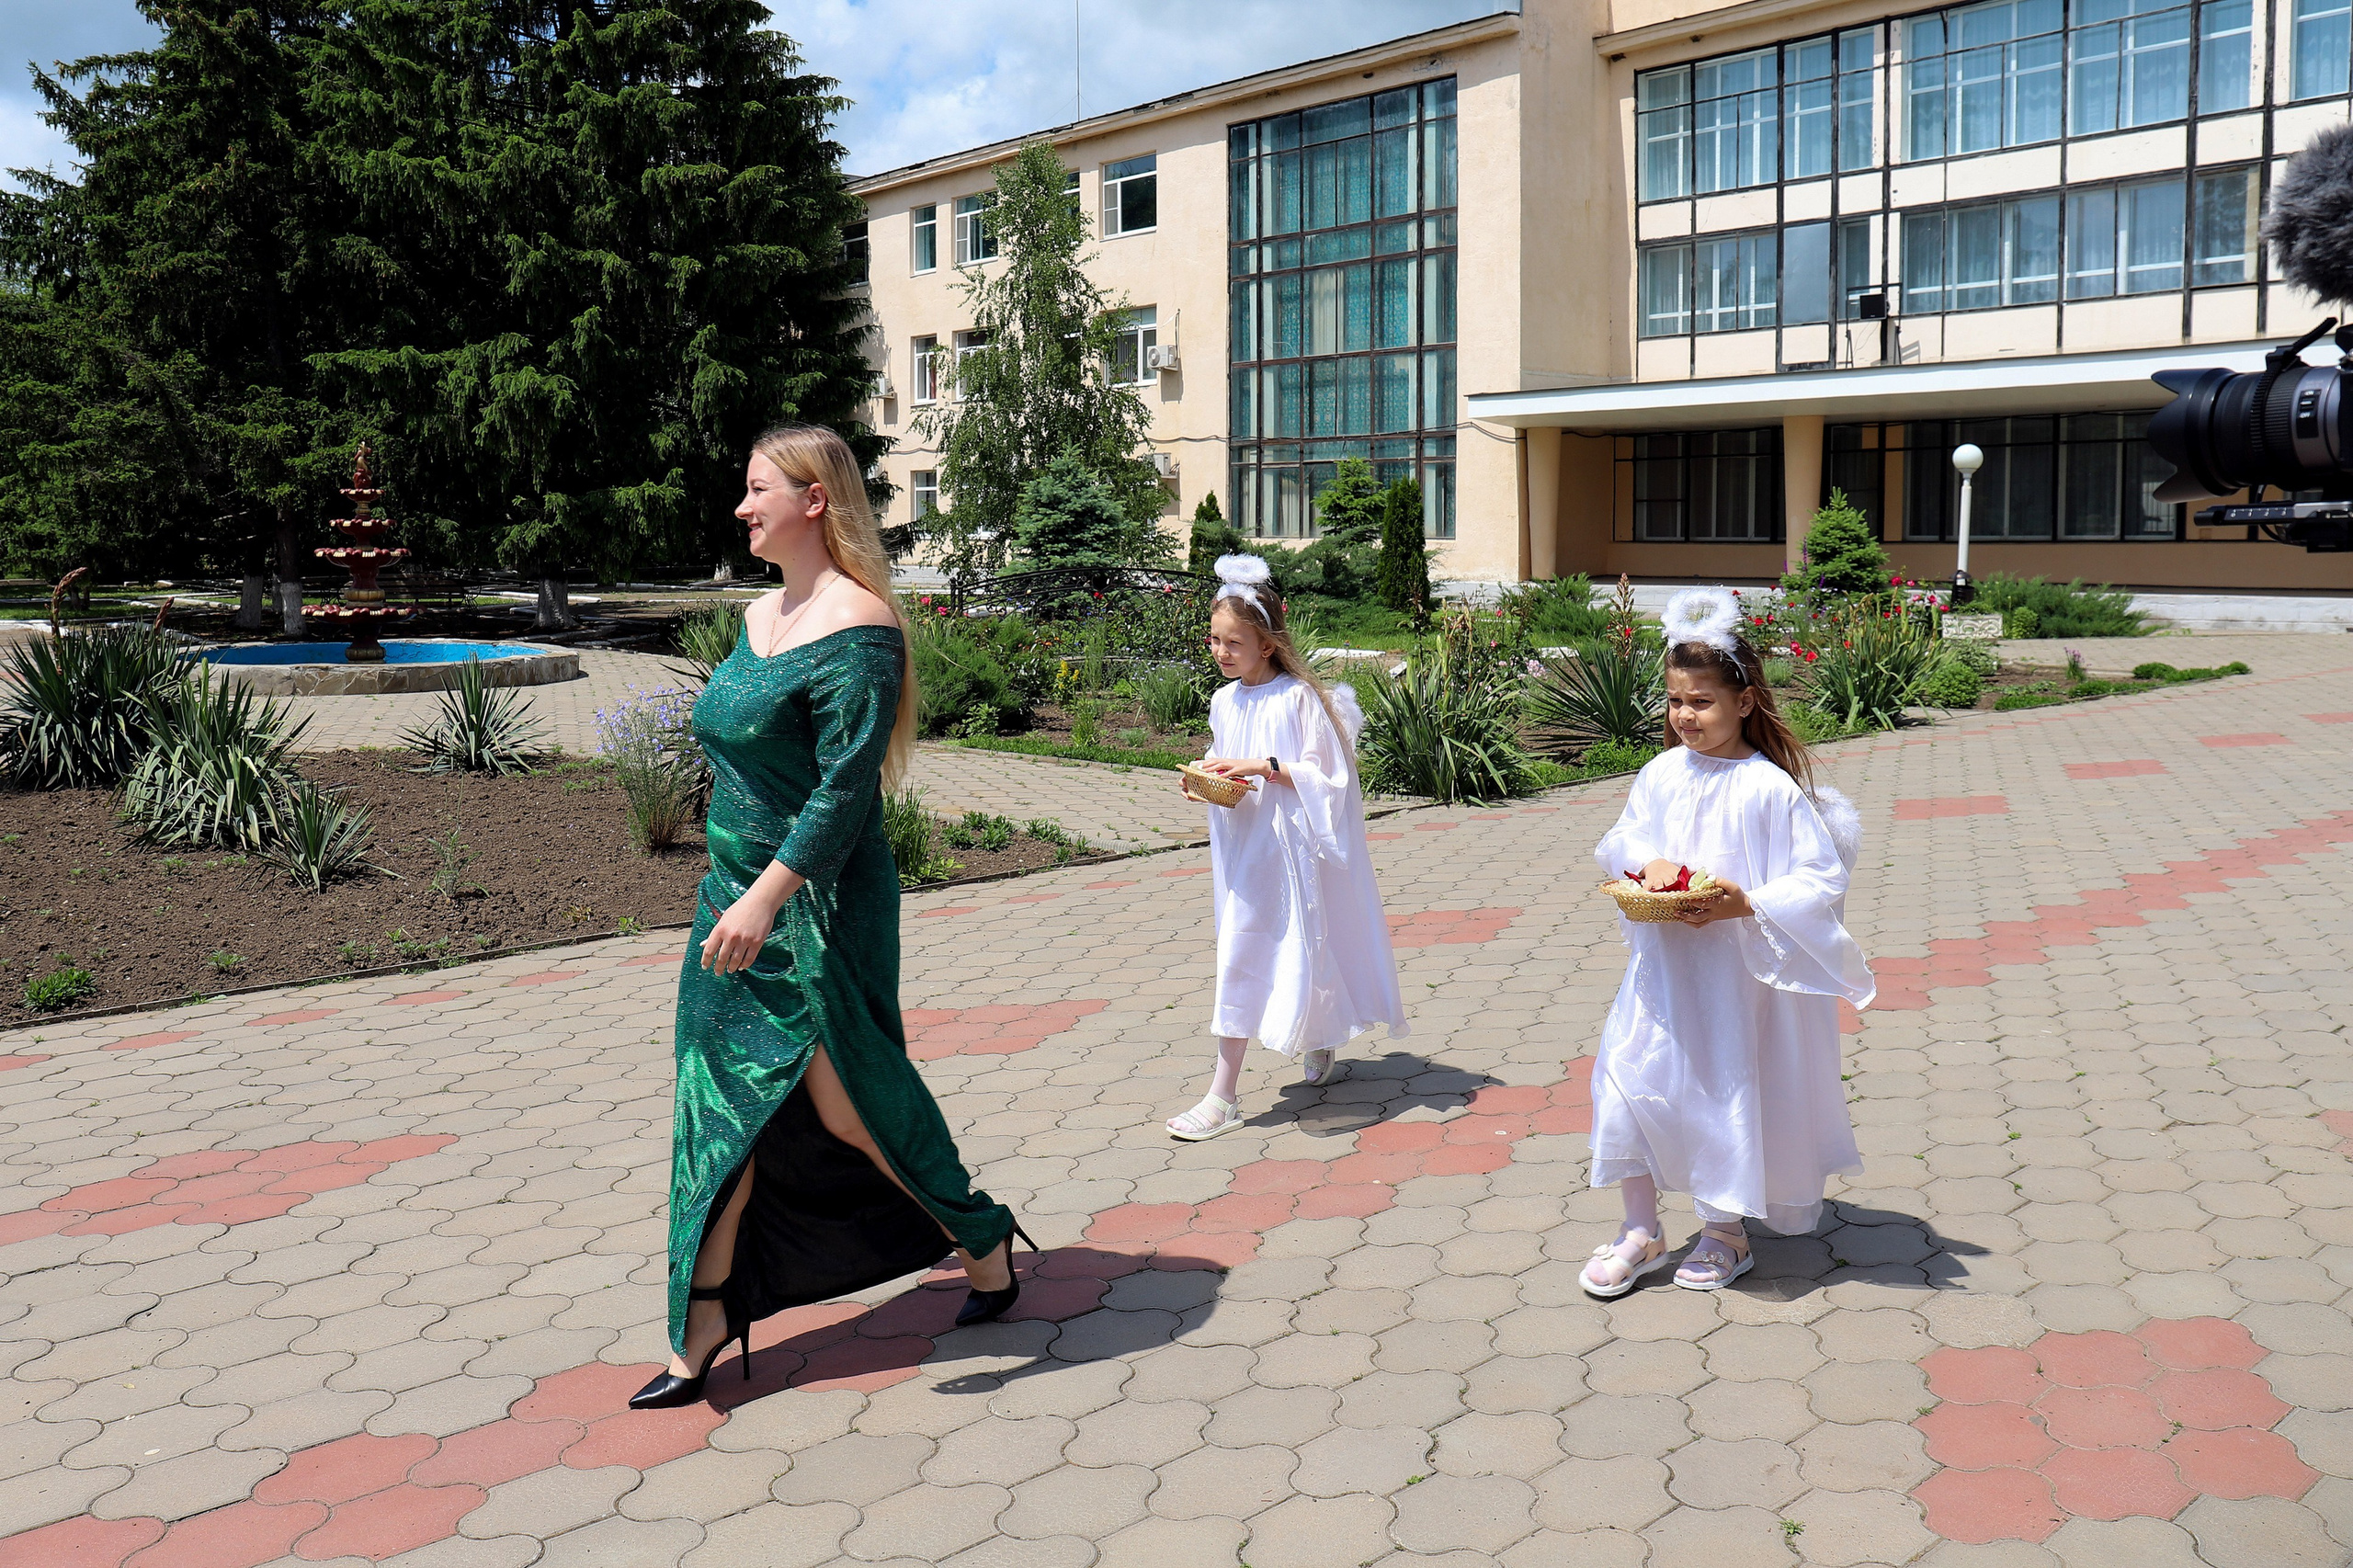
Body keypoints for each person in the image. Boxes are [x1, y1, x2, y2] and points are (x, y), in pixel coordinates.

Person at [631, 425, 1029, 1410]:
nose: (741, 506)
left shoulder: (860, 626)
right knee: (714, 1102)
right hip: (730, 900)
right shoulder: (761, 614)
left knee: (851, 1105)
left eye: (758, 488)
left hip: (811, 905)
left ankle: (980, 1237)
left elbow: (846, 790)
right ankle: (705, 1314)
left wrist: (768, 894)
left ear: (815, 500)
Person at [1578, 586, 1873, 1297]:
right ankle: (1640, 1226)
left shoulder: (1767, 790)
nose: (1685, 716)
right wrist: (1643, 865)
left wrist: (1746, 903)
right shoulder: (1659, 774)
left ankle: (1725, 1232)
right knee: (1630, 1080)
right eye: (1676, 701)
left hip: (1734, 981)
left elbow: (1818, 876)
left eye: (1701, 701)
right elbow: (1625, 838)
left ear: (1743, 702)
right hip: (1662, 969)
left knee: (1718, 1092)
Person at [1164, 552, 1407, 1141]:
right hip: (1241, 845)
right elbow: (1231, 764)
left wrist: (1264, 766)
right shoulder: (1224, 702)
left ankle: (1223, 1095)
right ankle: (1313, 1038)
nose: (1221, 652)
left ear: (1267, 643)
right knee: (1248, 946)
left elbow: (1329, 776)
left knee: (1282, 945)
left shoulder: (1298, 698)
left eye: (1234, 642)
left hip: (1289, 848)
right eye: (1214, 640)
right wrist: (1209, 777)